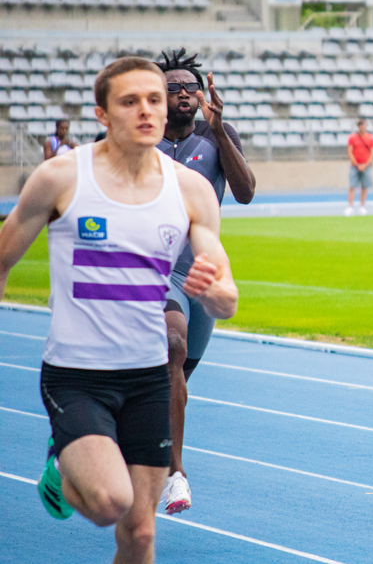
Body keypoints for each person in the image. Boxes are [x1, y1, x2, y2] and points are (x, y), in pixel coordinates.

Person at [0, 57, 238, 563]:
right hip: (77, 374)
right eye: (130, 101)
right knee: (110, 501)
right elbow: (2, 260)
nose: (147, 111)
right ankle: (65, 468)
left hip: (148, 379)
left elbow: (227, 297)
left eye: (154, 99)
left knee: (141, 535)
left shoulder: (190, 189)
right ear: (103, 114)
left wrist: (212, 290)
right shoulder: (61, 177)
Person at [155, 48, 256, 515]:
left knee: (174, 381)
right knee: (173, 348)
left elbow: (246, 193)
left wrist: (218, 129)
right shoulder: (141, 138)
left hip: (201, 270)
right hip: (154, 269)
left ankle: (136, 440)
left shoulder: (218, 137)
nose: (183, 94)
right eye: (172, 87)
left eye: (189, 87)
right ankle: (176, 474)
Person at [346, 119, 373, 216]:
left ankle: (362, 206)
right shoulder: (352, 138)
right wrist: (357, 164)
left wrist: (365, 165)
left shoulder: (371, 138)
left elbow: (372, 154)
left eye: (364, 125)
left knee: (364, 186)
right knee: (352, 186)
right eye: (360, 125)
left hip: (366, 166)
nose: (362, 127)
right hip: (355, 166)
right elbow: (350, 152)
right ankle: (350, 206)